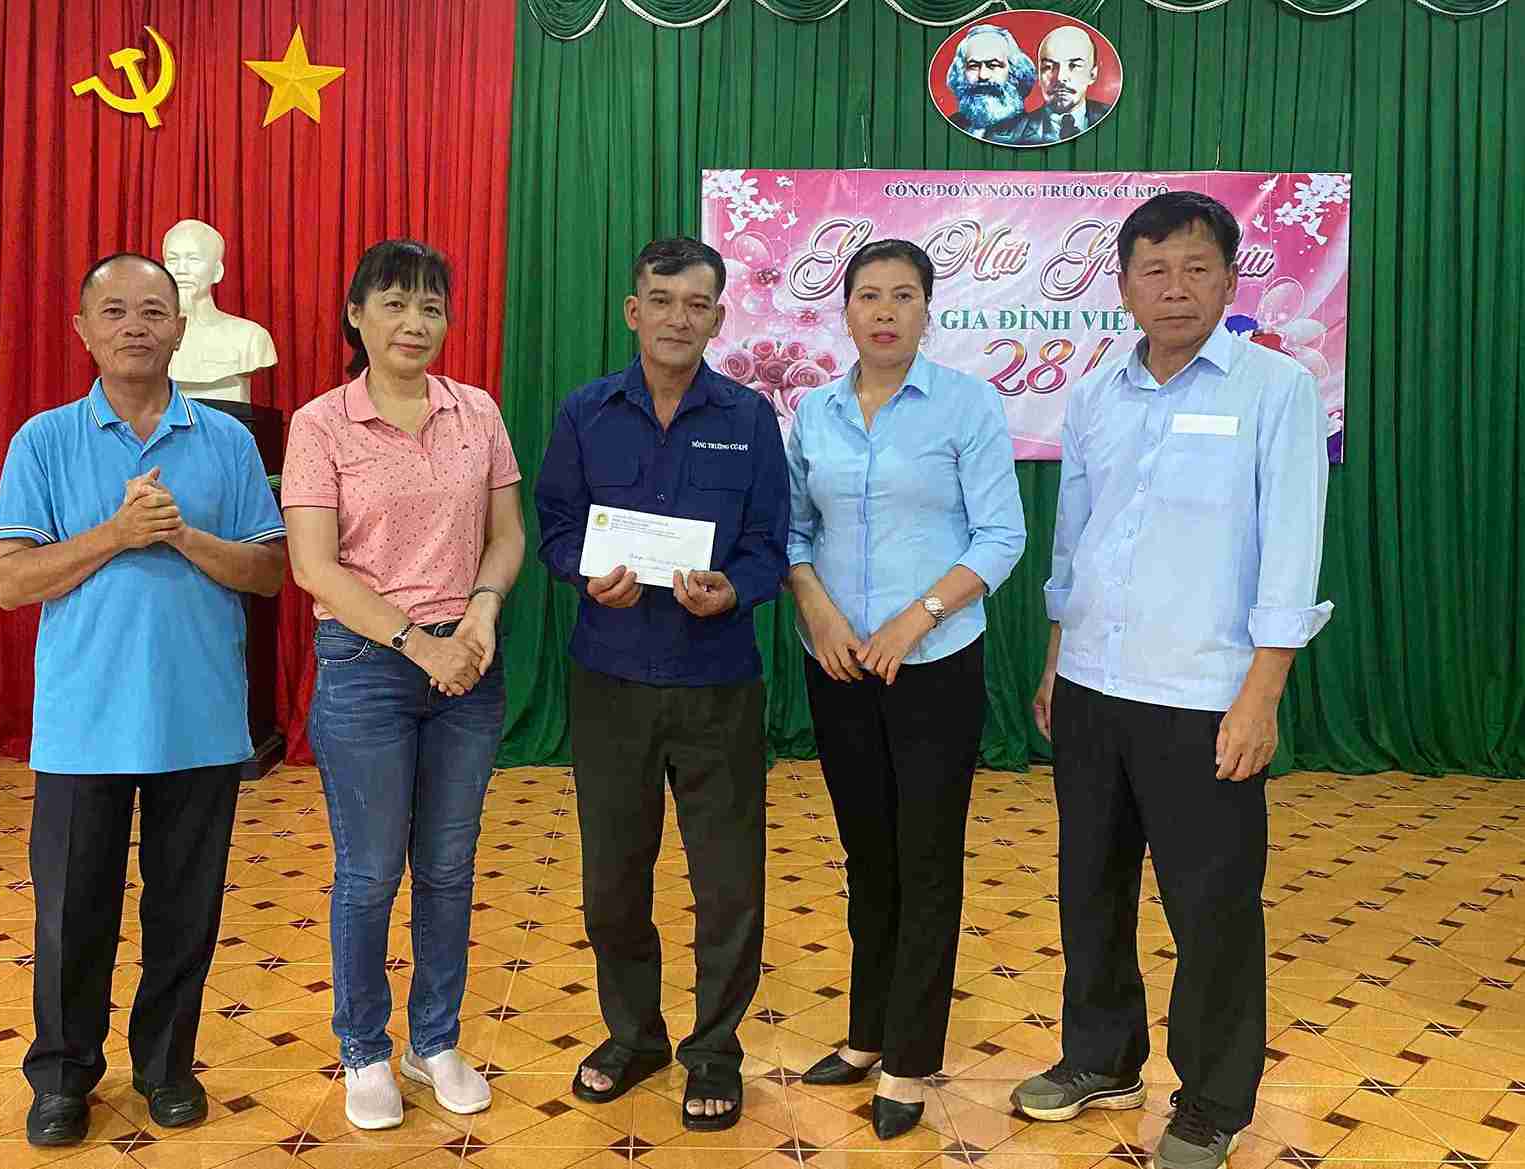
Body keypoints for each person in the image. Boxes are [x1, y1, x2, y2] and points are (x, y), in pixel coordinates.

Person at [1011, 191, 1332, 1169]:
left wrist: (1260, 693)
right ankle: (1100, 1057)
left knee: (1212, 907)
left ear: (1229, 278)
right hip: (1095, 688)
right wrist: (1057, 661)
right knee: (1089, 892)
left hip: (1205, 697)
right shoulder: (1098, 392)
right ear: (1121, 287)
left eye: (1195, 268)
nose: (1174, 288)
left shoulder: (1274, 389)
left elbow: (1289, 549)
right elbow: (1077, 537)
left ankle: (1212, 1099)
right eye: (1152, 270)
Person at [0, 253, 287, 1148]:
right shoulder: (42, 440)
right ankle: (64, 1075)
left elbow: (269, 570)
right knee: (72, 913)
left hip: (199, 721)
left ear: (180, 329)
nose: (134, 326)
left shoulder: (228, 444)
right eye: (113, 311)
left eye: (153, 311)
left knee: (184, 911)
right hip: (83, 725)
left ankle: (166, 1068)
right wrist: (115, 535)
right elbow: (8, 580)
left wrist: (182, 534)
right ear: (82, 329)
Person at [534, 237, 788, 1132]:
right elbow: (557, 525)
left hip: (718, 682)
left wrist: (736, 589)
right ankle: (634, 1033)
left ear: (718, 317)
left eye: (697, 303)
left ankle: (714, 1049)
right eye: (662, 299)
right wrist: (578, 572)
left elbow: (767, 544)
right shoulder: (584, 412)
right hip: (608, 679)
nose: (679, 316)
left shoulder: (750, 418)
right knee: (612, 880)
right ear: (632, 310)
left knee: (726, 884)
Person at [784, 239, 1025, 1139]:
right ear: (842, 310)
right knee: (866, 855)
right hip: (838, 665)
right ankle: (864, 1033)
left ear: (929, 311)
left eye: (903, 296)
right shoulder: (811, 411)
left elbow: (1000, 537)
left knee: (925, 859)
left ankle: (912, 1058)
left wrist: (914, 618)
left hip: (933, 664)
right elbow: (793, 532)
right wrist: (816, 611)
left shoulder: (966, 405)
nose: (884, 311)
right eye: (868, 296)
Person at [280, 239, 523, 1132]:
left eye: (430, 305)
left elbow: (506, 533)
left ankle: (435, 1039)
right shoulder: (322, 423)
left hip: (468, 666)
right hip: (368, 670)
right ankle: (364, 1049)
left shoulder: (477, 412)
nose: (414, 323)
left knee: (450, 868)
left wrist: (483, 614)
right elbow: (313, 564)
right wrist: (419, 643)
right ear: (356, 315)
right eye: (393, 303)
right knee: (371, 870)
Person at [161, 218, 278, 402]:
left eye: (193, 259)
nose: (181, 269)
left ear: (217, 272)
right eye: (173, 259)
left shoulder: (250, 337)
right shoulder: (148, 338)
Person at [986, 25, 1112, 145]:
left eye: (1074, 66)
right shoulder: (1004, 136)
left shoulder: (1115, 121)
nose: (1060, 78)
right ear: (1039, 75)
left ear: (1093, 74)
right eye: (1049, 67)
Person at [945, 23, 1037, 137]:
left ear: (1014, 72)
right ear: (961, 73)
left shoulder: (1033, 132)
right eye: (973, 66)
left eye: (993, 65)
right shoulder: (950, 125)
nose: (983, 75)